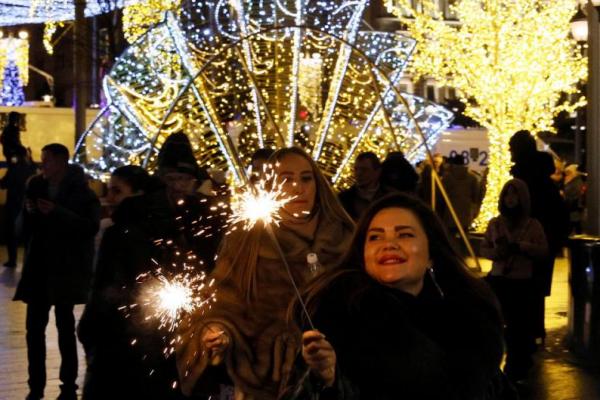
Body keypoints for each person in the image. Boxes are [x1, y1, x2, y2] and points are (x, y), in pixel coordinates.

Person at [289, 193, 507, 399]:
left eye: (404, 234)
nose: (388, 244)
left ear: (431, 254)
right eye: (375, 237)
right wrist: (326, 380)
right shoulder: (336, 318)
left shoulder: (470, 320)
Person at [176, 147, 354, 400]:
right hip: (267, 381)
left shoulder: (347, 238)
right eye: (286, 179)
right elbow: (221, 302)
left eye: (306, 178)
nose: (298, 187)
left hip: (340, 377)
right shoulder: (247, 241)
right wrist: (219, 332)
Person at [78, 134, 220, 400]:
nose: (177, 186)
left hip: (187, 335)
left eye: (183, 179)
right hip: (134, 335)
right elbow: (107, 287)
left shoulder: (206, 222)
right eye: (171, 179)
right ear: (161, 179)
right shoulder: (131, 223)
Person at [13, 143, 101, 400]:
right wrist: (30, 213)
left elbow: (89, 227)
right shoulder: (36, 185)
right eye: (42, 161)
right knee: (34, 331)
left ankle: (68, 386)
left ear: (62, 162)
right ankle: (35, 386)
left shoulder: (82, 192)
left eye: (48, 161)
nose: (43, 166)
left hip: (66, 269)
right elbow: (25, 228)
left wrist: (57, 212)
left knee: (65, 327)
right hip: (39, 268)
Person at [481, 179, 548, 383]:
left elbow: (543, 250)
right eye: (507, 194)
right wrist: (496, 252)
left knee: (519, 327)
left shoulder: (532, 225)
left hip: (521, 282)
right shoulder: (495, 224)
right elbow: (483, 248)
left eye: (515, 194)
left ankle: (516, 367)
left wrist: (524, 247)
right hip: (499, 280)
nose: (511, 199)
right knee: (496, 324)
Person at [509, 130, 569, 342]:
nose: (509, 152)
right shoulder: (545, 181)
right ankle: (536, 329)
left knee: (523, 283)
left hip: (527, 239)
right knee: (537, 285)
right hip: (547, 238)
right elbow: (559, 212)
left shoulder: (523, 181)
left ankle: (526, 329)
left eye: (511, 148)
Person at [0, 144, 37, 267]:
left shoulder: (14, 169)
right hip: (29, 204)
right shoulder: (31, 168)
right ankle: (28, 261)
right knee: (28, 235)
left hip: (13, 204)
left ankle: (12, 260)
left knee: (11, 233)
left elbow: (4, 184)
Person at [338, 151, 390, 220]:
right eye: (356, 169)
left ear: (377, 172)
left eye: (364, 170)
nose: (358, 173)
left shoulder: (389, 198)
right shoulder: (344, 199)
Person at [440, 154, 480, 235]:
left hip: (450, 212)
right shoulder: (472, 178)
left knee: (450, 237)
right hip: (465, 212)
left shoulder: (447, 177)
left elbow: (441, 195)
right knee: (464, 237)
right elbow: (475, 196)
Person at [563, 164, 586, 234]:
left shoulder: (576, 183)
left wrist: (564, 197)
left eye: (568, 173)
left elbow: (575, 198)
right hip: (572, 212)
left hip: (574, 212)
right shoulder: (573, 181)